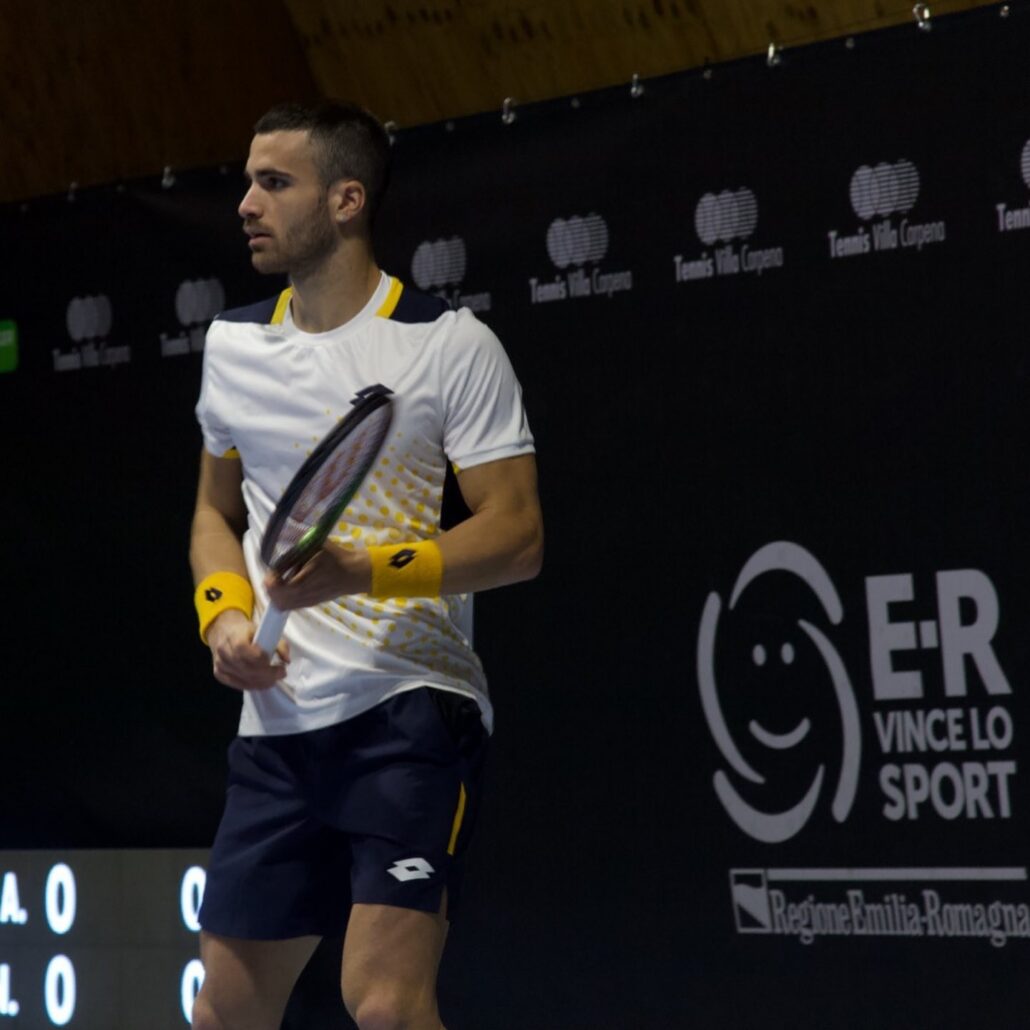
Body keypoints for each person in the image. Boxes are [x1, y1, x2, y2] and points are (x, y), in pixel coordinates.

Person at [188, 100, 543, 1030]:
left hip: (409, 709)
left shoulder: (449, 344)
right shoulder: (232, 346)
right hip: (274, 730)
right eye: (247, 181)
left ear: (346, 201)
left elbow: (516, 537)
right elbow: (215, 515)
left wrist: (364, 571)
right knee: (224, 1014)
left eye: (275, 183)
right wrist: (224, 616)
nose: (246, 204)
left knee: (384, 1006)